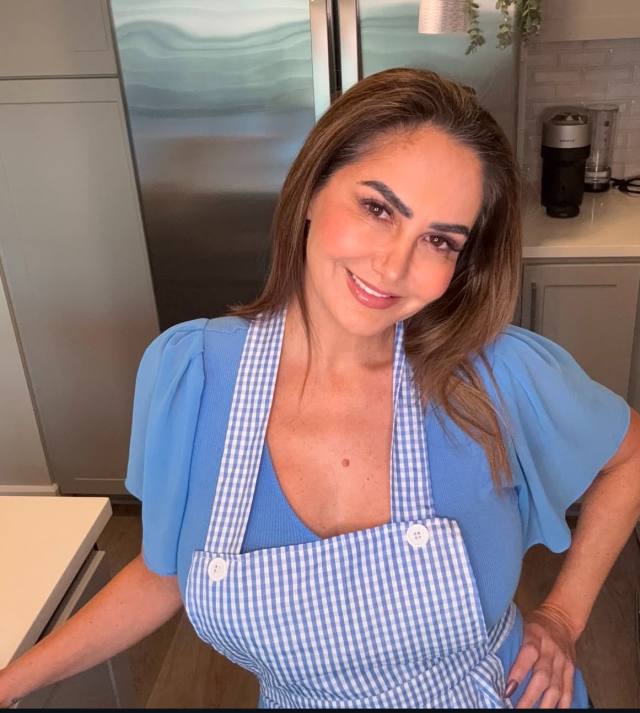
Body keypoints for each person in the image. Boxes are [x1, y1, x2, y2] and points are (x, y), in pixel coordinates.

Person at [1, 67, 639, 709]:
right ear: (310, 191)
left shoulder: (495, 375)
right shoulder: (191, 376)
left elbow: (631, 457)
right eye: (377, 208)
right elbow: (163, 573)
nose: (393, 266)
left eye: (439, 240)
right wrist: (10, 683)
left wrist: (562, 616)